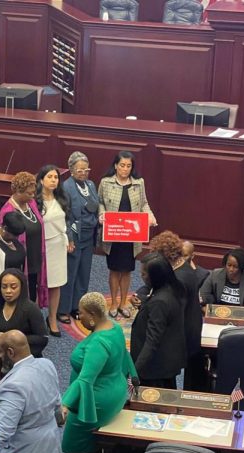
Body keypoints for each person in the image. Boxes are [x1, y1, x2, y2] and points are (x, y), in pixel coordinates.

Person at [59, 292, 137, 453]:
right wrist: (134, 378)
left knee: (71, 444)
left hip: (94, 402)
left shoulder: (97, 344)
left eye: (81, 314)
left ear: (93, 315)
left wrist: (65, 404)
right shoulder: (114, 327)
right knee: (93, 442)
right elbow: (125, 356)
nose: (79, 318)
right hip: (115, 391)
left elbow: (85, 380)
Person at [0, 330, 61, 453]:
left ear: (10, 353)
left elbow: (2, 432)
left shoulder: (12, 387)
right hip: (47, 446)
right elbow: (57, 402)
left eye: (0, 351)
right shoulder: (47, 364)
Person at [98, 150, 156, 319]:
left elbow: (144, 203)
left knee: (127, 270)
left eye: (128, 166)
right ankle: (114, 303)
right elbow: (100, 202)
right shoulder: (105, 182)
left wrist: (150, 215)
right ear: (115, 166)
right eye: (122, 165)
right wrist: (101, 215)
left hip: (131, 234)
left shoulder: (139, 182)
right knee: (114, 270)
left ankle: (123, 302)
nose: (125, 169)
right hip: (114, 233)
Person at [148, 230, 204, 391]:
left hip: (181, 334)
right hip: (192, 326)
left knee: (167, 378)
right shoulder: (186, 268)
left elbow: (170, 311)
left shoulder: (178, 279)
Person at [130, 254, 186, 389]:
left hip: (154, 370)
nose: (141, 276)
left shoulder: (160, 302)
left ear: (155, 276)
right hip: (164, 363)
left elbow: (152, 341)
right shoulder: (170, 288)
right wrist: (145, 303)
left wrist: (135, 371)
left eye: (144, 274)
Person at [59, 151, 100, 324]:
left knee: (84, 273)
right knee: (70, 274)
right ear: (71, 170)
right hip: (74, 237)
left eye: (86, 169)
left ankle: (77, 307)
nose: (83, 173)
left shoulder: (91, 184)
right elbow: (65, 216)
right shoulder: (66, 187)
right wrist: (69, 238)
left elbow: (95, 206)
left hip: (89, 236)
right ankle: (63, 309)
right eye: (79, 170)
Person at [0, 171, 47, 305]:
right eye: (29, 193)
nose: (33, 196)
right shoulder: (7, 212)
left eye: (33, 192)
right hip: (20, 264)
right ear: (18, 192)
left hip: (35, 259)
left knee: (31, 296)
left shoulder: (31, 204)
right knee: (20, 300)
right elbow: (5, 243)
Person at [36, 164, 70, 336]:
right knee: (39, 283)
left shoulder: (61, 198)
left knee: (56, 284)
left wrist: (68, 240)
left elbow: (66, 223)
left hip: (58, 245)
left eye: (56, 177)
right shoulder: (34, 202)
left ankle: (51, 319)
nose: (53, 180)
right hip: (41, 247)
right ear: (41, 180)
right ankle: (35, 319)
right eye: (49, 177)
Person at [0, 268, 48, 359]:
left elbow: (42, 338)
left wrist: (10, 339)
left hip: (26, 360)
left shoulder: (31, 309)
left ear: (21, 287)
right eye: (4, 287)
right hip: (3, 358)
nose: (8, 291)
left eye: (13, 287)